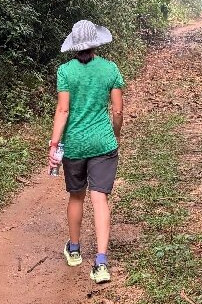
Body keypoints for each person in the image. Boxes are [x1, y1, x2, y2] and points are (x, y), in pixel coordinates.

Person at [48, 20, 124, 284]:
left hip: (76, 145)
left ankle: (75, 249)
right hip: (103, 144)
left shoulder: (65, 72)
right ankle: (101, 263)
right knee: (99, 198)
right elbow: (117, 111)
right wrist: (114, 133)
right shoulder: (110, 69)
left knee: (76, 196)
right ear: (95, 43)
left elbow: (63, 111)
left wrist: (54, 143)